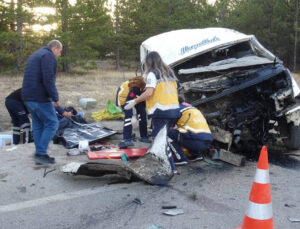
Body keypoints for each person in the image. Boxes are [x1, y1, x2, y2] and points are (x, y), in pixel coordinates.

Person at [22, 40, 62, 165]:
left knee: (38, 125)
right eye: (60, 51)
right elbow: (48, 79)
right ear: (55, 48)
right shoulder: (48, 56)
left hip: (27, 96)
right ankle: (40, 153)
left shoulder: (36, 54)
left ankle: (40, 154)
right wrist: (55, 97)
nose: (59, 54)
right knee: (52, 123)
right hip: (39, 97)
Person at [124, 51, 180, 137]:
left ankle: (159, 150)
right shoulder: (170, 74)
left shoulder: (153, 74)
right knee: (167, 136)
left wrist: (135, 101)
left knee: (158, 137)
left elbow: (149, 93)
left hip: (161, 112)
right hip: (174, 111)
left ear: (149, 62)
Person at [116, 76, 151, 148]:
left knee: (142, 114)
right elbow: (129, 99)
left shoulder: (146, 87)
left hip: (135, 97)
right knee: (129, 117)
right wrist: (132, 115)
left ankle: (143, 136)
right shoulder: (136, 88)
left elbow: (144, 99)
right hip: (124, 98)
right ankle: (127, 138)